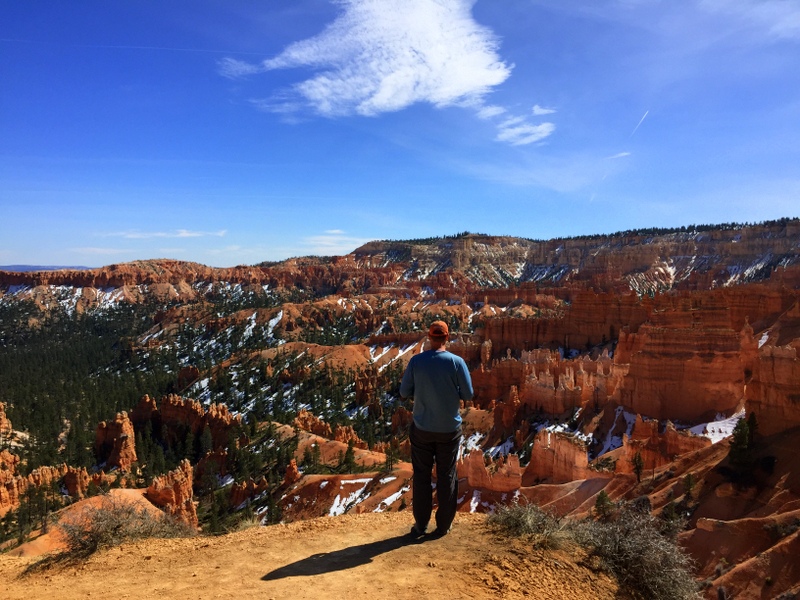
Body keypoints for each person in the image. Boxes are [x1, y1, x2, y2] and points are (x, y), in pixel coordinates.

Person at [400, 320, 474, 537]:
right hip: (449, 430)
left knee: (422, 475)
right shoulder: (457, 362)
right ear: (447, 338)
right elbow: (468, 395)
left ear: (429, 337)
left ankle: (421, 525)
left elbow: (404, 392)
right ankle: (443, 526)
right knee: (447, 475)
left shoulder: (416, 362)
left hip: (422, 429)